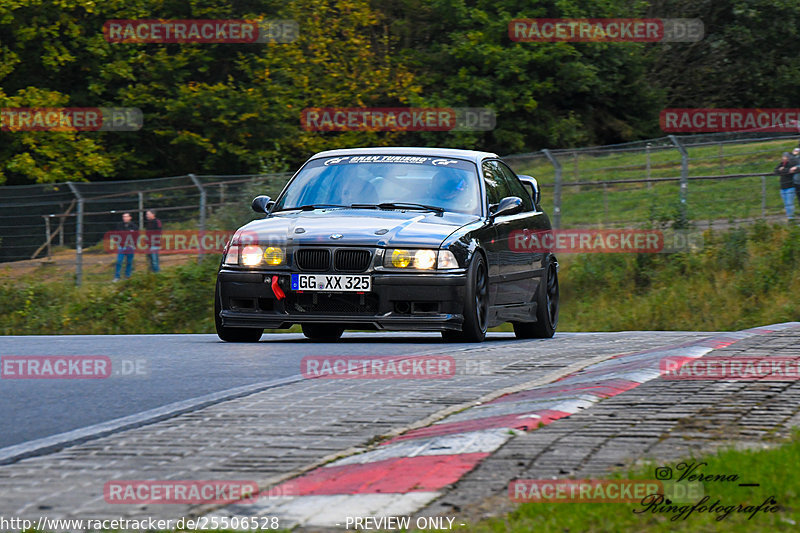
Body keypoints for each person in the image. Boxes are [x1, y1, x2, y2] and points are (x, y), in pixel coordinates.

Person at [113, 212, 137, 281]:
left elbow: (137, 236)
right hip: (121, 246)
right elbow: (115, 235)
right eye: (124, 217)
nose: (125, 218)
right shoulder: (119, 225)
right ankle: (117, 276)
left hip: (130, 246)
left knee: (129, 262)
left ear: (130, 217)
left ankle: (127, 276)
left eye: (126, 217)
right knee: (119, 261)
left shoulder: (134, 226)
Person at [774, 152, 797, 222]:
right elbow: (775, 170)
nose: (783, 158)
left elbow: (790, 171)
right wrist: (781, 170)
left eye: (785, 157)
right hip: (783, 187)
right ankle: (789, 216)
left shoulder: (792, 164)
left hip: (790, 187)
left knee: (789, 203)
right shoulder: (781, 164)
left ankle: (791, 218)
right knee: (786, 203)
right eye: (783, 157)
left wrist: (782, 170)